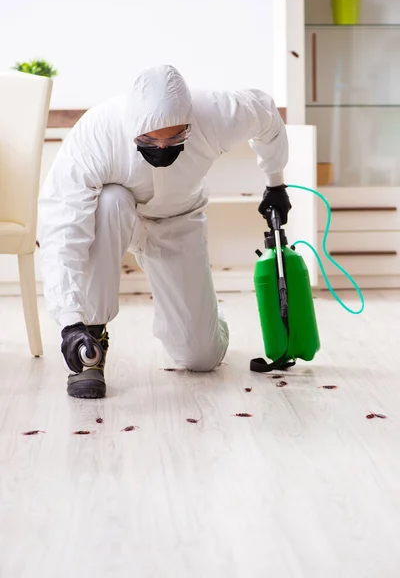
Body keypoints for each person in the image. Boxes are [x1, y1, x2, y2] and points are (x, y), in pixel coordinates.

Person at [37, 64, 291, 399]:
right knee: (111, 200)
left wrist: (275, 183)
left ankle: (207, 314)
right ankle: (92, 341)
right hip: (118, 213)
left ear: (190, 121)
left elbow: (268, 116)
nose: (162, 148)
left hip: (179, 219)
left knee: (202, 358)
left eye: (174, 138)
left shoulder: (215, 113)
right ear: (133, 129)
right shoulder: (97, 133)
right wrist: (70, 320)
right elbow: (63, 230)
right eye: (149, 141)